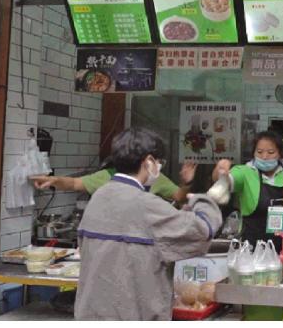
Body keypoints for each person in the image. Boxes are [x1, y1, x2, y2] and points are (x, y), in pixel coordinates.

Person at [74, 127, 222, 320]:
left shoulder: (98, 197)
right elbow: (203, 229)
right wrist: (204, 200)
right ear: (149, 161)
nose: (159, 168)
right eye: (160, 162)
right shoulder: (146, 205)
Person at [212, 131, 283, 252]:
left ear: (280, 153)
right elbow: (225, 181)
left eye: (271, 152)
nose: (264, 157)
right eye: (259, 152)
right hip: (253, 246)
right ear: (253, 153)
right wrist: (221, 173)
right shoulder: (244, 172)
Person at [31, 156, 198, 205]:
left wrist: (187, 183)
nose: (158, 164)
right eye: (156, 160)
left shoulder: (157, 178)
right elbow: (75, 183)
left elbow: (179, 196)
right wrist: (54, 180)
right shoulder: (107, 175)